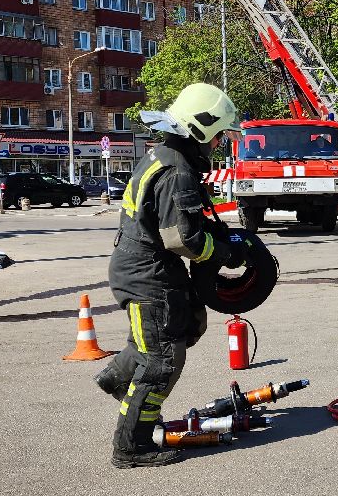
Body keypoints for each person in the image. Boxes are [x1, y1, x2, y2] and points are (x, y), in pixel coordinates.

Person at [96, 83, 243, 469]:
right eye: (216, 137)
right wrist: (225, 253)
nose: (217, 146)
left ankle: (116, 381)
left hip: (144, 268)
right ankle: (133, 446)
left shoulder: (163, 155)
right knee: (161, 360)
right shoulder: (177, 170)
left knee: (177, 331)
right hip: (148, 276)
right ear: (200, 129)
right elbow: (184, 239)